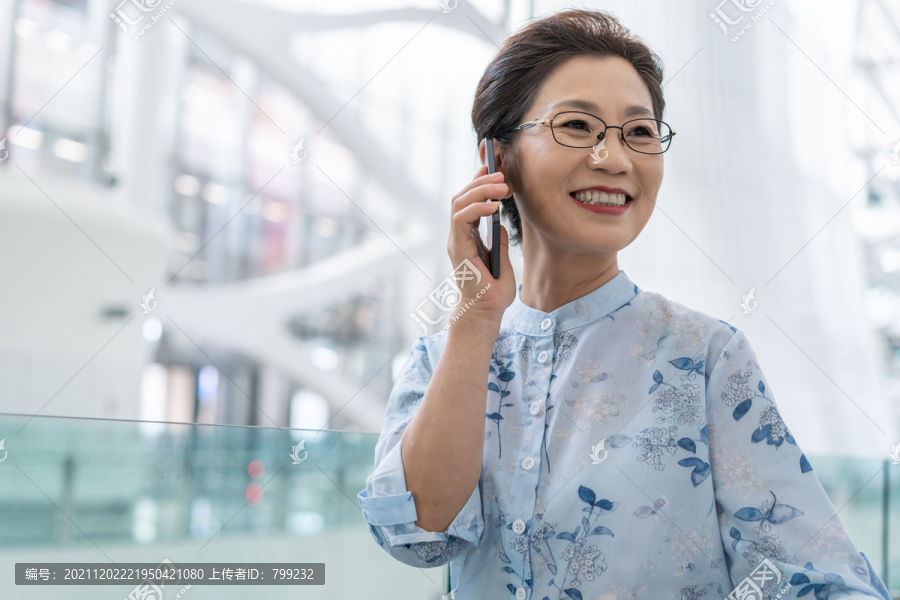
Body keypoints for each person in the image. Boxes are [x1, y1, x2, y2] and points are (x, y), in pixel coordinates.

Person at [357, 8, 892, 600]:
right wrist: (476, 319)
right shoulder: (441, 360)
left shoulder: (705, 358)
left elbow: (822, 581)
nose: (614, 159)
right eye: (578, 126)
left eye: (638, 132)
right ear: (496, 159)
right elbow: (417, 535)